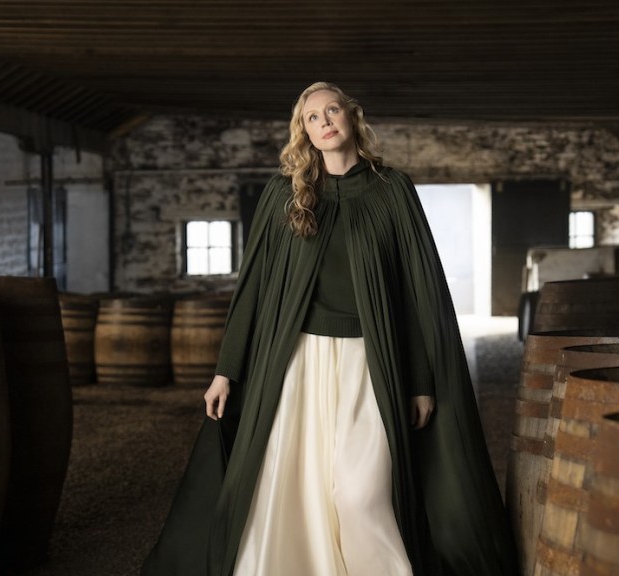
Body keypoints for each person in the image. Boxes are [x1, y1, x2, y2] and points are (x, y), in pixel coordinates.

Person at [142, 82, 518, 576]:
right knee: (293, 490)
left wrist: (421, 381)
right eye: (312, 117)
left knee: (361, 493)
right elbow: (252, 287)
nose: (324, 121)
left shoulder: (392, 190)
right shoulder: (285, 192)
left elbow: (416, 292)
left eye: (332, 110)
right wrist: (225, 370)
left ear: (352, 116)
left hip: (371, 362)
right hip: (297, 362)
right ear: (304, 131)